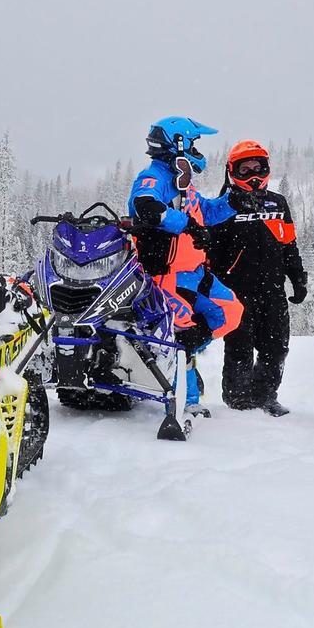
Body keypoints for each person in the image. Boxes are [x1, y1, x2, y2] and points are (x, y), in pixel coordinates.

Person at [127, 116, 246, 417]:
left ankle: (186, 353)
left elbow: (205, 210)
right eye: (193, 143)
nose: (196, 149)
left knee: (231, 312)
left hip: (195, 274)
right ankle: (186, 398)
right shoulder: (154, 176)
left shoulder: (184, 185)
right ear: (178, 143)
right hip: (164, 277)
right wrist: (186, 224)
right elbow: (146, 206)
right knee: (184, 330)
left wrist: (236, 201)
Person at [207, 140, 307, 417]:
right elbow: (211, 251)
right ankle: (238, 401)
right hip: (236, 291)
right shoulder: (223, 205)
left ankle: (265, 397)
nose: (252, 174)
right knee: (239, 347)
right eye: (245, 169)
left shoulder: (278, 202)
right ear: (232, 171)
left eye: (257, 167)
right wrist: (210, 286)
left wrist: (298, 278)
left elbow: (289, 244)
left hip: (273, 288)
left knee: (276, 347)